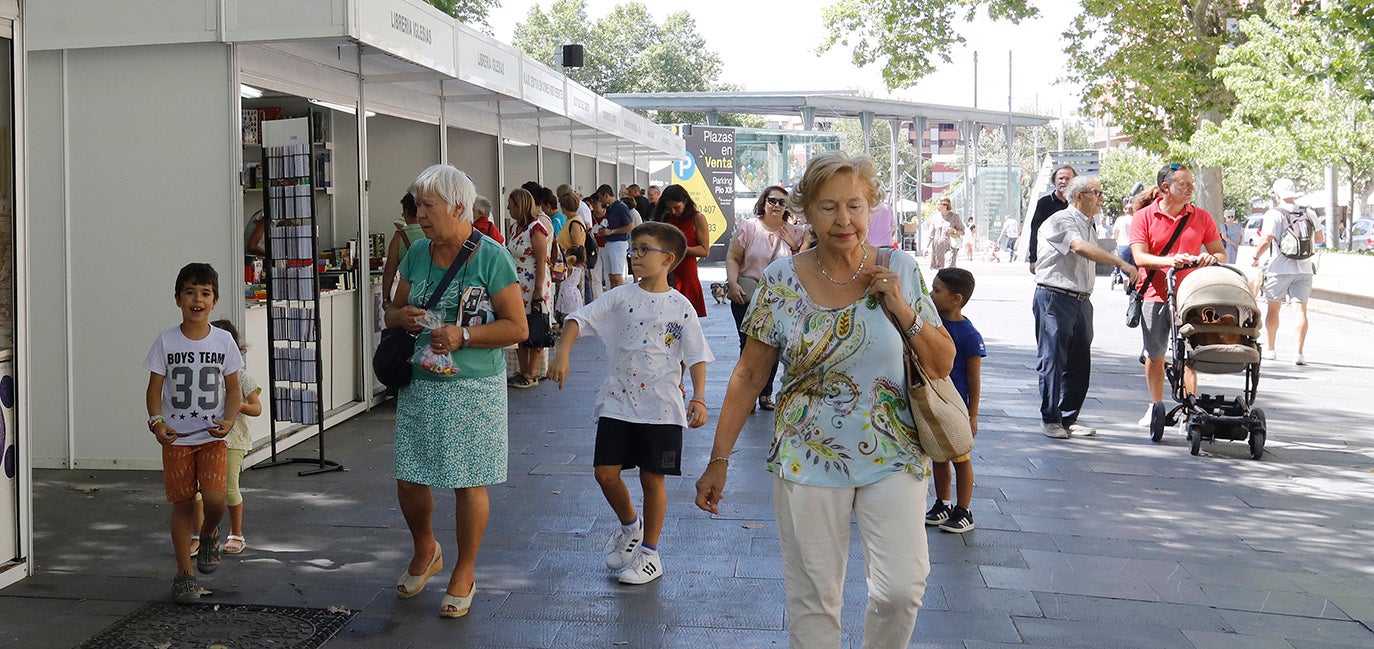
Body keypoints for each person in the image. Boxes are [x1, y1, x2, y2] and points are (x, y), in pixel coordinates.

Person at [695, 151, 955, 649]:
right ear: (806, 213)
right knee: (814, 601)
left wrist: (900, 306)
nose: (844, 220)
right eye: (829, 207)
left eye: (855, 206)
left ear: (871, 208)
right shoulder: (780, 280)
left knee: (901, 588)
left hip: (894, 450)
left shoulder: (898, 267)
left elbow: (942, 362)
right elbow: (750, 374)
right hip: (806, 454)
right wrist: (719, 458)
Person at [387, 163, 526, 619]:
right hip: (421, 381)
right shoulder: (416, 253)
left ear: (459, 207)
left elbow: (517, 328)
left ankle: (465, 569)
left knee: (468, 481)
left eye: (429, 206)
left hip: (473, 387)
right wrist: (401, 317)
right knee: (410, 475)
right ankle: (426, 548)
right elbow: (392, 311)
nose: (420, 215)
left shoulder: (492, 256)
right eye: (418, 205)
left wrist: (464, 335)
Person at [548, 222, 712, 585]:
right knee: (605, 473)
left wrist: (699, 396)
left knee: (653, 479)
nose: (634, 256)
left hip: (662, 407)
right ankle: (630, 527)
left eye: (643, 250)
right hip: (618, 401)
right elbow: (579, 318)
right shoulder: (621, 296)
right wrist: (563, 353)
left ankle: (650, 554)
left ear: (668, 259)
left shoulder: (680, 307)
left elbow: (697, 355)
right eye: (633, 249)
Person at [144, 263, 243, 604]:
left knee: (216, 499)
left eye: (205, 293)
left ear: (214, 301)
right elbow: (154, 388)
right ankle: (184, 574)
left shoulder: (223, 340)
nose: (197, 300)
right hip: (177, 439)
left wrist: (230, 420)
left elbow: (233, 390)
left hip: (213, 436)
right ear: (177, 299)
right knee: (183, 504)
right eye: (190, 292)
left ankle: (211, 531)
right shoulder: (166, 341)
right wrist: (157, 422)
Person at [1033, 176, 1136, 440]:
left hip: (1080, 300)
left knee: (1080, 363)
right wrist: (1119, 262)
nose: (1102, 198)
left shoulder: (1088, 224)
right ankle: (1050, 418)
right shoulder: (1062, 220)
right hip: (1055, 297)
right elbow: (1079, 247)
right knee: (1053, 360)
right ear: (1079, 196)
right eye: (1097, 193)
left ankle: (1069, 417)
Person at [1129, 164, 1226, 437]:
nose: (1191, 188)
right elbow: (1140, 257)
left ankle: (1189, 410)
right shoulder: (1144, 217)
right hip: (1155, 294)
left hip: (1192, 296)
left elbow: (1221, 254)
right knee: (1155, 353)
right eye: (1184, 184)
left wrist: (1210, 258)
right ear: (1166, 187)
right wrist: (1171, 261)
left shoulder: (1202, 217)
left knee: (1190, 355)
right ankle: (1156, 404)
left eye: (1191, 183)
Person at [726, 185, 805, 411]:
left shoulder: (796, 233)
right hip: (747, 295)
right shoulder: (749, 227)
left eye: (782, 202)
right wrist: (732, 283)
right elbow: (733, 256)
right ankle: (746, 394)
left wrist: (793, 246)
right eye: (773, 201)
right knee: (747, 345)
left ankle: (765, 393)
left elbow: (804, 265)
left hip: (780, 299)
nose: (777, 206)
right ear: (764, 202)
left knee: (773, 347)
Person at [923, 268, 984, 534]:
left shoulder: (968, 335)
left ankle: (964, 509)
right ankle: (942, 502)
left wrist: (972, 414)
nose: (930, 294)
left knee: (960, 456)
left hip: (956, 405)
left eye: (937, 291)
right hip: (934, 401)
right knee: (939, 453)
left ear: (956, 298)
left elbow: (974, 379)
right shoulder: (932, 322)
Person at [1252, 178, 1324, 365]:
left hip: (1279, 268)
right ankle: (1299, 353)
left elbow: (1266, 239)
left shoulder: (1274, 214)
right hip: (1305, 269)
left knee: (1273, 309)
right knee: (1300, 310)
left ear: (1277, 194)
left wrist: (1255, 257)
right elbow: (1319, 237)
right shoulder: (1309, 212)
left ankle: (1271, 349)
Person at [209, 319, 263, 556]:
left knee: (229, 488)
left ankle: (236, 533)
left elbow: (257, 407)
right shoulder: (206, 375)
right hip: (208, 438)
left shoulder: (241, 377)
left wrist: (237, 405)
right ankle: (203, 534)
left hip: (234, 440)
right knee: (202, 490)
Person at [505, 188, 554, 389]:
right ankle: (523, 370)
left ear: (520, 206)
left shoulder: (536, 228)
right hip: (517, 284)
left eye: (511, 204)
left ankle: (532, 372)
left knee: (535, 324)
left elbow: (541, 260)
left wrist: (538, 289)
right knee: (519, 326)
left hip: (534, 283)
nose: (508, 208)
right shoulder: (515, 228)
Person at [655, 184, 709, 317]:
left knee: (688, 316)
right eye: (669, 208)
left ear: (685, 201)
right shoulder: (666, 217)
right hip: (667, 271)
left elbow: (704, 250)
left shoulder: (697, 218)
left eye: (677, 207)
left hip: (686, 272)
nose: (673, 211)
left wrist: (680, 249)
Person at [1027, 164, 1077, 273]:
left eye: (1068, 179)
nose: (1063, 182)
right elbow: (1034, 230)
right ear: (1054, 181)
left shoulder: (1078, 203)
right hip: (1049, 258)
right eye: (1060, 178)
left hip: (1073, 260)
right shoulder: (1044, 203)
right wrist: (1033, 258)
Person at [383, 193, 426, 300]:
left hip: (407, 294)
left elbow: (389, 270)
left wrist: (386, 298)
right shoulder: (431, 233)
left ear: (406, 212)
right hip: (430, 291)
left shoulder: (399, 236)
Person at [555, 190, 588, 322]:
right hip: (566, 261)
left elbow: (577, 245)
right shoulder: (571, 221)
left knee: (568, 292)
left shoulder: (574, 223)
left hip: (571, 264)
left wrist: (568, 257)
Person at [594, 184, 634, 289]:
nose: (600, 201)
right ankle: (614, 299)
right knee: (611, 276)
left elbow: (630, 226)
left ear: (606, 196)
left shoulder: (621, 207)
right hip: (609, 243)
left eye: (600, 198)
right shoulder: (610, 208)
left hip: (618, 243)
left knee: (617, 276)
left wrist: (612, 231)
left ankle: (620, 299)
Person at [929, 197, 964, 269]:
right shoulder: (935, 217)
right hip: (937, 248)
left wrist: (954, 231)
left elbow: (962, 231)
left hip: (950, 247)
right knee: (940, 270)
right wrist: (927, 247)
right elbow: (931, 234)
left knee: (949, 268)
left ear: (945, 205)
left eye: (939, 204)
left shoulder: (954, 217)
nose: (937, 206)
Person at [1111, 209, 1136, 289]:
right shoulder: (1135, 218)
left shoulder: (1120, 219)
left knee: (1122, 264)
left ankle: (1125, 278)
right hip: (1132, 244)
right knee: (1132, 265)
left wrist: (1116, 239)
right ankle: (1132, 282)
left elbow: (1115, 231)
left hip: (1122, 244)